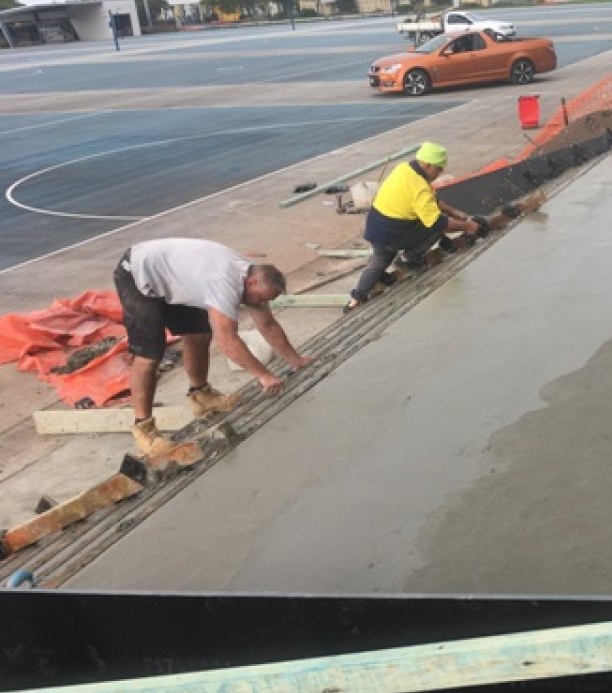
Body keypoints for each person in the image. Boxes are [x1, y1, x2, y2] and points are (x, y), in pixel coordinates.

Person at [113, 238, 314, 456]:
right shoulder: (224, 282)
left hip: (174, 275)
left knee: (199, 335)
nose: (259, 303)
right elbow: (227, 339)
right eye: (260, 298)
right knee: (149, 356)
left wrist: (296, 361)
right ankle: (144, 429)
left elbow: (267, 323)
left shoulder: (251, 276)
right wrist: (263, 375)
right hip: (138, 275)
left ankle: (202, 396)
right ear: (251, 283)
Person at [344, 141, 487, 312]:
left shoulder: (404, 169)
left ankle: (355, 299)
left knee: (379, 260)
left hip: (376, 227)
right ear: (427, 165)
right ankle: (410, 258)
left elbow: (430, 199)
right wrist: (468, 227)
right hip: (393, 232)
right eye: (438, 168)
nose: (440, 172)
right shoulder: (419, 187)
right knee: (437, 226)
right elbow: (437, 222)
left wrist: (454, 211)